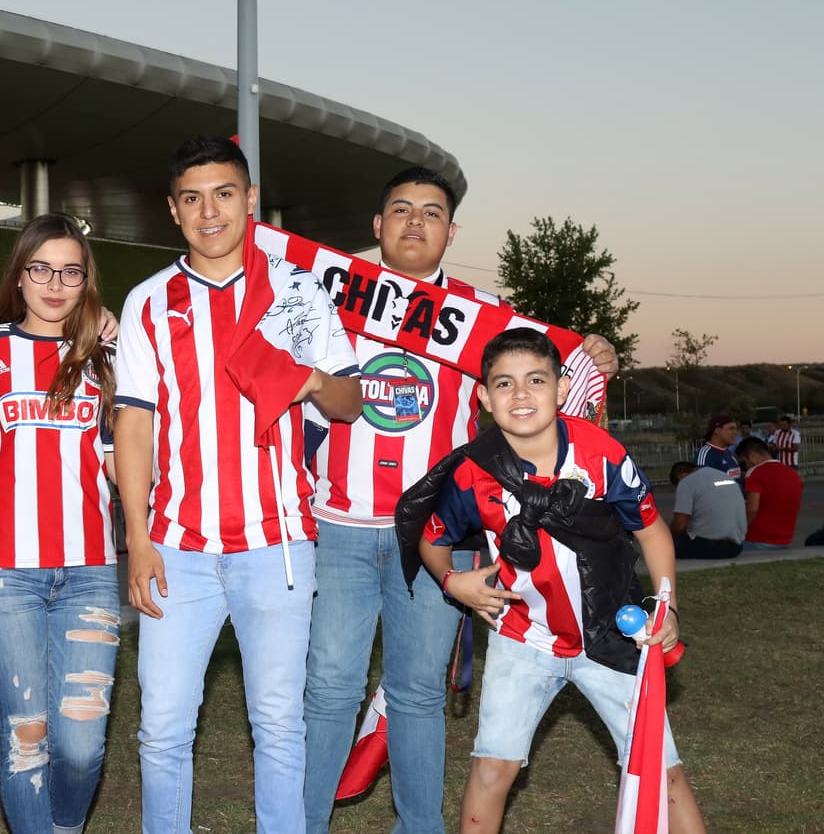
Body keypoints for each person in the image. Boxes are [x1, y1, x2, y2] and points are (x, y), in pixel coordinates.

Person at [301, 167, 619, 834]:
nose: (415, 222)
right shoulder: (323, 298)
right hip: (340, 528)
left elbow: (546, 388)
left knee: (418, 692)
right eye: (401, 209)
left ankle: (420, 826)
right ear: (377, 225)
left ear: (451, 230)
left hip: (437, 537)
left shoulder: (480, 317)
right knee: (330, 690)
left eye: (431, 212)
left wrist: (593, 355)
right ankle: (301, 822)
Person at [116, 135, 361, 833]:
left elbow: (347, 402)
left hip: (276, 544)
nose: (209, 210)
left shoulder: (296, 289)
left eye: (224, 193)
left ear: (250, 199)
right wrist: (136, 538)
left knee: (278, 724)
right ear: (173, 210)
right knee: (162, 727)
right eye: (191, 198)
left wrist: (305, 375)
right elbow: (134, 426)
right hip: (176, 547)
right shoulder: (149, 301)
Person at [413, 328, 705, 834]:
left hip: (612, 630)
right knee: (491, 767)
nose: (521, 394)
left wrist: (668, 606)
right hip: (523, 636)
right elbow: (431, 538)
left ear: (562, 388)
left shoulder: (601, 453)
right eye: (503, 384)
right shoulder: (471, 471)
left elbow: (653, 532)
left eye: (535, 380)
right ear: (483, 397)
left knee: (662, 771)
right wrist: (452, 582)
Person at [0, 213, 119, 834]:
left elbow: (121, 463)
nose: (55, 282)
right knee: (27, 739)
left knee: (81, 748)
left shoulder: (107, 357)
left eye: (71, 271)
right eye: (42, 268)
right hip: (0, 575)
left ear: (86, 282)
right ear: (20, 275)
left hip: (89, 573)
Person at [736, 436, 804, 551]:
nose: (745, 466)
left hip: (756, 539)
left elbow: (752, 509)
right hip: (785, 541)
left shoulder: (755, 473)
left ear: (751, 456)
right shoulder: (793, 474)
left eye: (744, 462)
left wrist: (739, 530)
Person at [667, 462, 744, 559]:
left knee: (660, 544)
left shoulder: (686, 482)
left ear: (682, 476)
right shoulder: (725, 476)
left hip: (710, 546)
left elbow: (679, 526)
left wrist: (668, 536)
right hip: (736, 546)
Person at [695, 414, 740, 480]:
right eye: (731, 429)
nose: (735, 433)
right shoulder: (705, 455)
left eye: (735, 429)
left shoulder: (729, 453)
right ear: (717, 431)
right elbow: (703, 485)